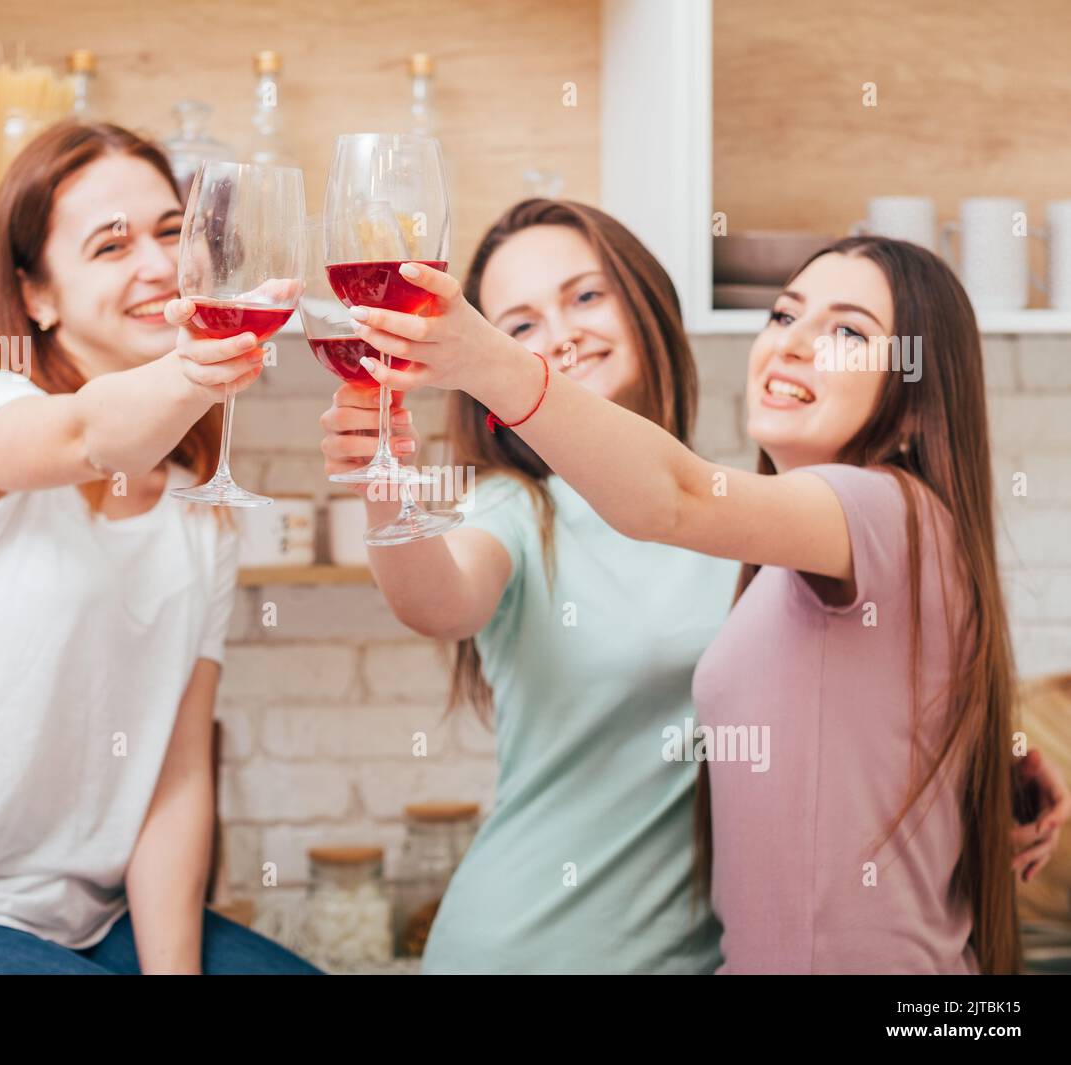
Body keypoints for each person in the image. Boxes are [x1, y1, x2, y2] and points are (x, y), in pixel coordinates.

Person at [347, 232, 1067, 974]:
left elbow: (677, 495)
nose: (794, 344)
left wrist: (485, 357)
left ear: (917, 403)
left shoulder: (875, 507)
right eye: (785, 316)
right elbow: (864, 718)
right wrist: (993, 760)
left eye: (849, 331)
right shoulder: (789, 555)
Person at [0, 122, 319, 975]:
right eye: (110, 244)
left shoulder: (200, 522)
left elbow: (175, 777)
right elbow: (86, 435)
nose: (157, 265)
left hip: (92, 919)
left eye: (171, 231)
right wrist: (205, 366)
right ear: (37, 295)